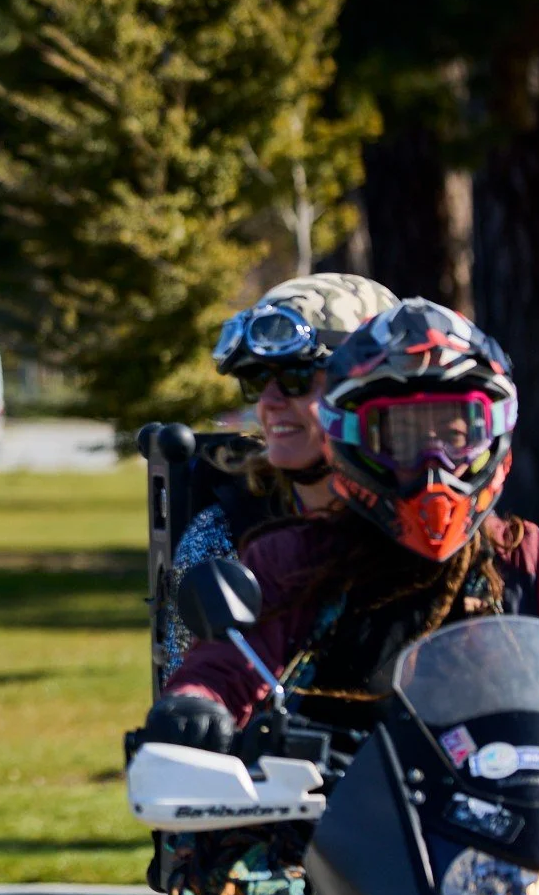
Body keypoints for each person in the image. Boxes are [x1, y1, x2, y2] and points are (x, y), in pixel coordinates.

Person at [132, 299, 539, 895]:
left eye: (454, 432)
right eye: (402, 436)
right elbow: (223, 665)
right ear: (354, 437)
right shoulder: (291, 560)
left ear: (490, 433)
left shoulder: (525, 558)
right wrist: (195, 710)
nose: (431, 462)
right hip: (317, 846)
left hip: (501, 849)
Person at [160, 275, 399, 670]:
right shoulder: (223, 534)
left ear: (373, 389)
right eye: (257, 380)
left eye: (296, 378)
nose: (269, 402)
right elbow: (191, 685)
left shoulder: (431, 519)